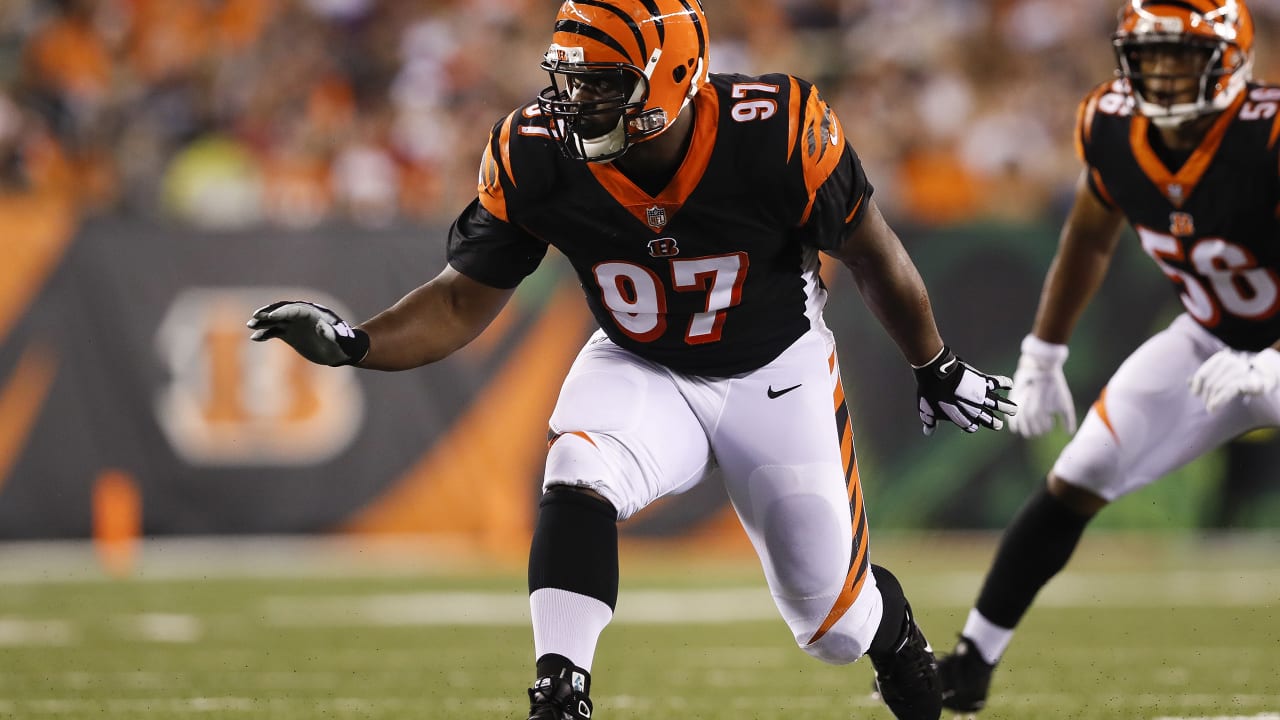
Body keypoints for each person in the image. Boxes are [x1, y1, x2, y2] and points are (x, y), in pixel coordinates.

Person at [247, 2, 1014, 719]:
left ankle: (892, 632)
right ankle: (559, 689)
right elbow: (458, 301)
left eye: (602, 85)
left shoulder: (774, 132)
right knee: (578, 465)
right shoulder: (537, 154)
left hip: (774, 371)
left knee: (834, 628)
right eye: (569, 80)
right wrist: (358, 343)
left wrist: (934, 364)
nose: (574, 103)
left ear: (674, 78)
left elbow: (874, 254)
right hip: (643, 360)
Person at [936, 0, 1280, 712]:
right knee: (1083, 469)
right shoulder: (1112, 126)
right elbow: (1090, 237)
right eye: (1150, 57)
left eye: (1181, 57)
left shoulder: (1268, 134)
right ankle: (971, 661)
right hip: (1211, 335)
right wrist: (1044, 352)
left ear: (1231, 60)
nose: (1162, 75)